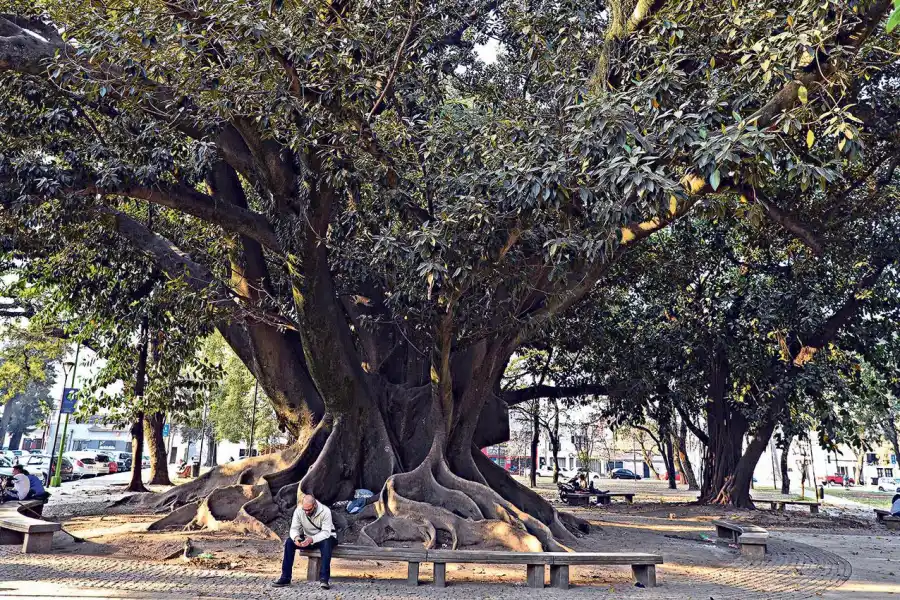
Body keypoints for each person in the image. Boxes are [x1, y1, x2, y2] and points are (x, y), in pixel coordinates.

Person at [272, 494, 338, 589]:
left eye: (309, 509)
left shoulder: (325, 511)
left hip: (325, 537)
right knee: (289, 542)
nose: (306, 512)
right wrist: (296, 538)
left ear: (314, 505)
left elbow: (326, 532)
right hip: (308, 538)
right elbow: (294, 528)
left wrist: (312, 539)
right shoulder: (299, 510)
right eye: (305, 509)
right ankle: (285, 577)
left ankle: (324, 579)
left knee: (326, 543)